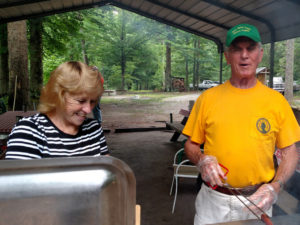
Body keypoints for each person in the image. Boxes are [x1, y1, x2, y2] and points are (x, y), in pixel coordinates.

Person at [183, 23, 300, 225]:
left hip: (259, 201)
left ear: (260, 54)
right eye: (237, 49)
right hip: (213, 202)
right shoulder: (208, 98)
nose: (244, 55)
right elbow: (190, 145)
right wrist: (202, 159)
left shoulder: (276, 101)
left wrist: (276, 186)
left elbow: (291, 151)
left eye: (250, 48)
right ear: (227, 57)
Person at [5, 61, 109, 159]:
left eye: (92, 102)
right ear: (58, 96)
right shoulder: (28, 131)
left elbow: (107, 173)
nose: (88, 110)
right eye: (81, 101)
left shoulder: (94, 128)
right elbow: (20, 178)